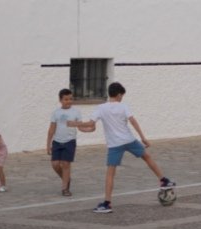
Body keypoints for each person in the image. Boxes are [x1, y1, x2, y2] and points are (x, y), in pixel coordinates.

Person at [71, 81, 175, 214]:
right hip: (129, 140)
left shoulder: (101, 108)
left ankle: (107, 204)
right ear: (119, 94)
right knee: (147, 157)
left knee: (110, 173)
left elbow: (90, 124)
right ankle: (163, 180)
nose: (122, 98)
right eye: (122, 96)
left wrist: (76, 125)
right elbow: (133, 121)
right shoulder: (123, 106)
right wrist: (143, 137)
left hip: (115, 144)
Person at [47, 88, 81, 196]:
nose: (69, 101)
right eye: (66, 99)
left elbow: (80, 126)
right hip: (57, 142)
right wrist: (48, 144)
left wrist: (90, 128)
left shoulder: (76, 112)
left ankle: (65, 188)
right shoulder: (56, 113)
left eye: (70, 99)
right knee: (55, 164)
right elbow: (51, 129)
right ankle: (66, 179)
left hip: (70, 141)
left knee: (66, 164)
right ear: (60, 100)